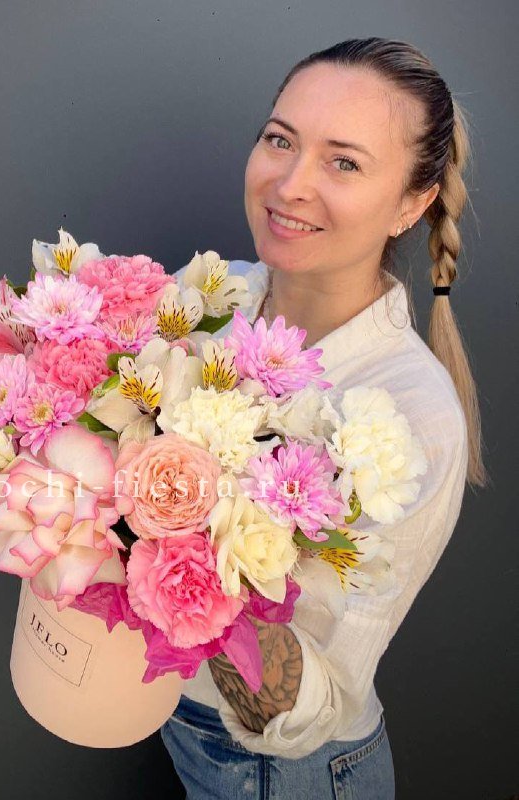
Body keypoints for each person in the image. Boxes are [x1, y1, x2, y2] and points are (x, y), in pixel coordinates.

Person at [161, 36, 488, 799]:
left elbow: (303, 710)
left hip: (284, 773)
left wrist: (150, 533)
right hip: (170, 719)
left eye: (342, 162)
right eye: (280, 140)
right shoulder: (206, 298)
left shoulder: (412, 419)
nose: (289, 184)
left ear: (411, 203)